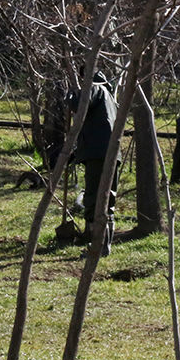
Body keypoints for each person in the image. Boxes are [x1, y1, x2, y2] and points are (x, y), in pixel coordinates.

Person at [66, 70, 120, 255]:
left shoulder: (96, 89)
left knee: (94, 198)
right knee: (107, 198)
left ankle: (97, 244)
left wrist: (71, 93)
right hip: (112, 153)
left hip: (98, 154)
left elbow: (80, 106)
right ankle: (103, 244)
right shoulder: (111, 98)